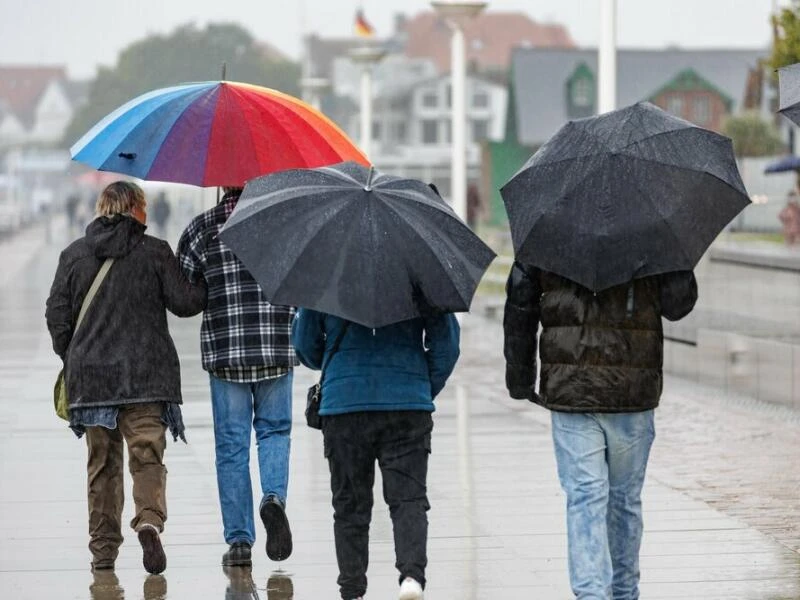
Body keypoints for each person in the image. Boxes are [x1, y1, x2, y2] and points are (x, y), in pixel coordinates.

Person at [503, 264, 697, 600]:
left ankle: (593, 594)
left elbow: (520, 305)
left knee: (586, 497)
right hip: (629, 389)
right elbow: (678, 306)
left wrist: (520, 377)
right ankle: (623, 593)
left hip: (573, 387)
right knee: (622, 500)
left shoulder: (545, 231)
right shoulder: (650, 231)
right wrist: (675, 262)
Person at [45, 181, 207, 574]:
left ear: (103, 209)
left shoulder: (73, 256)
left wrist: (75, 355)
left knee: (102, 466)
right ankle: (149, 519)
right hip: (146, 377)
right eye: (145, 207)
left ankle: (103, 552)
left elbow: (56, 316)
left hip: (94, 379)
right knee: (147, 456)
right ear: (135, 209)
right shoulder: (154, 252)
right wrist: (204, 278)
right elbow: (185, 303)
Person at [292, 303, 460, 600]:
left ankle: (352, 588)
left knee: (349, 505)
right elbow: (446, 346)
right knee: (409, 499)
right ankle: (411, 577)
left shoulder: (326, 272)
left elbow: (305, 347)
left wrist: (337, 360)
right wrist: (420, 386)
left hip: (344, 404)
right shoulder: (421, 271)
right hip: (407, 403)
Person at [177, 186, 297, 567]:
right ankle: (274, 498)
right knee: (274, 432)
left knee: (232, 448)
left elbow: (185, 293)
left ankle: (240, 543)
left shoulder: (202, 230)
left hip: (225, 351)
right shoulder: (283, 224)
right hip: (276, 347)